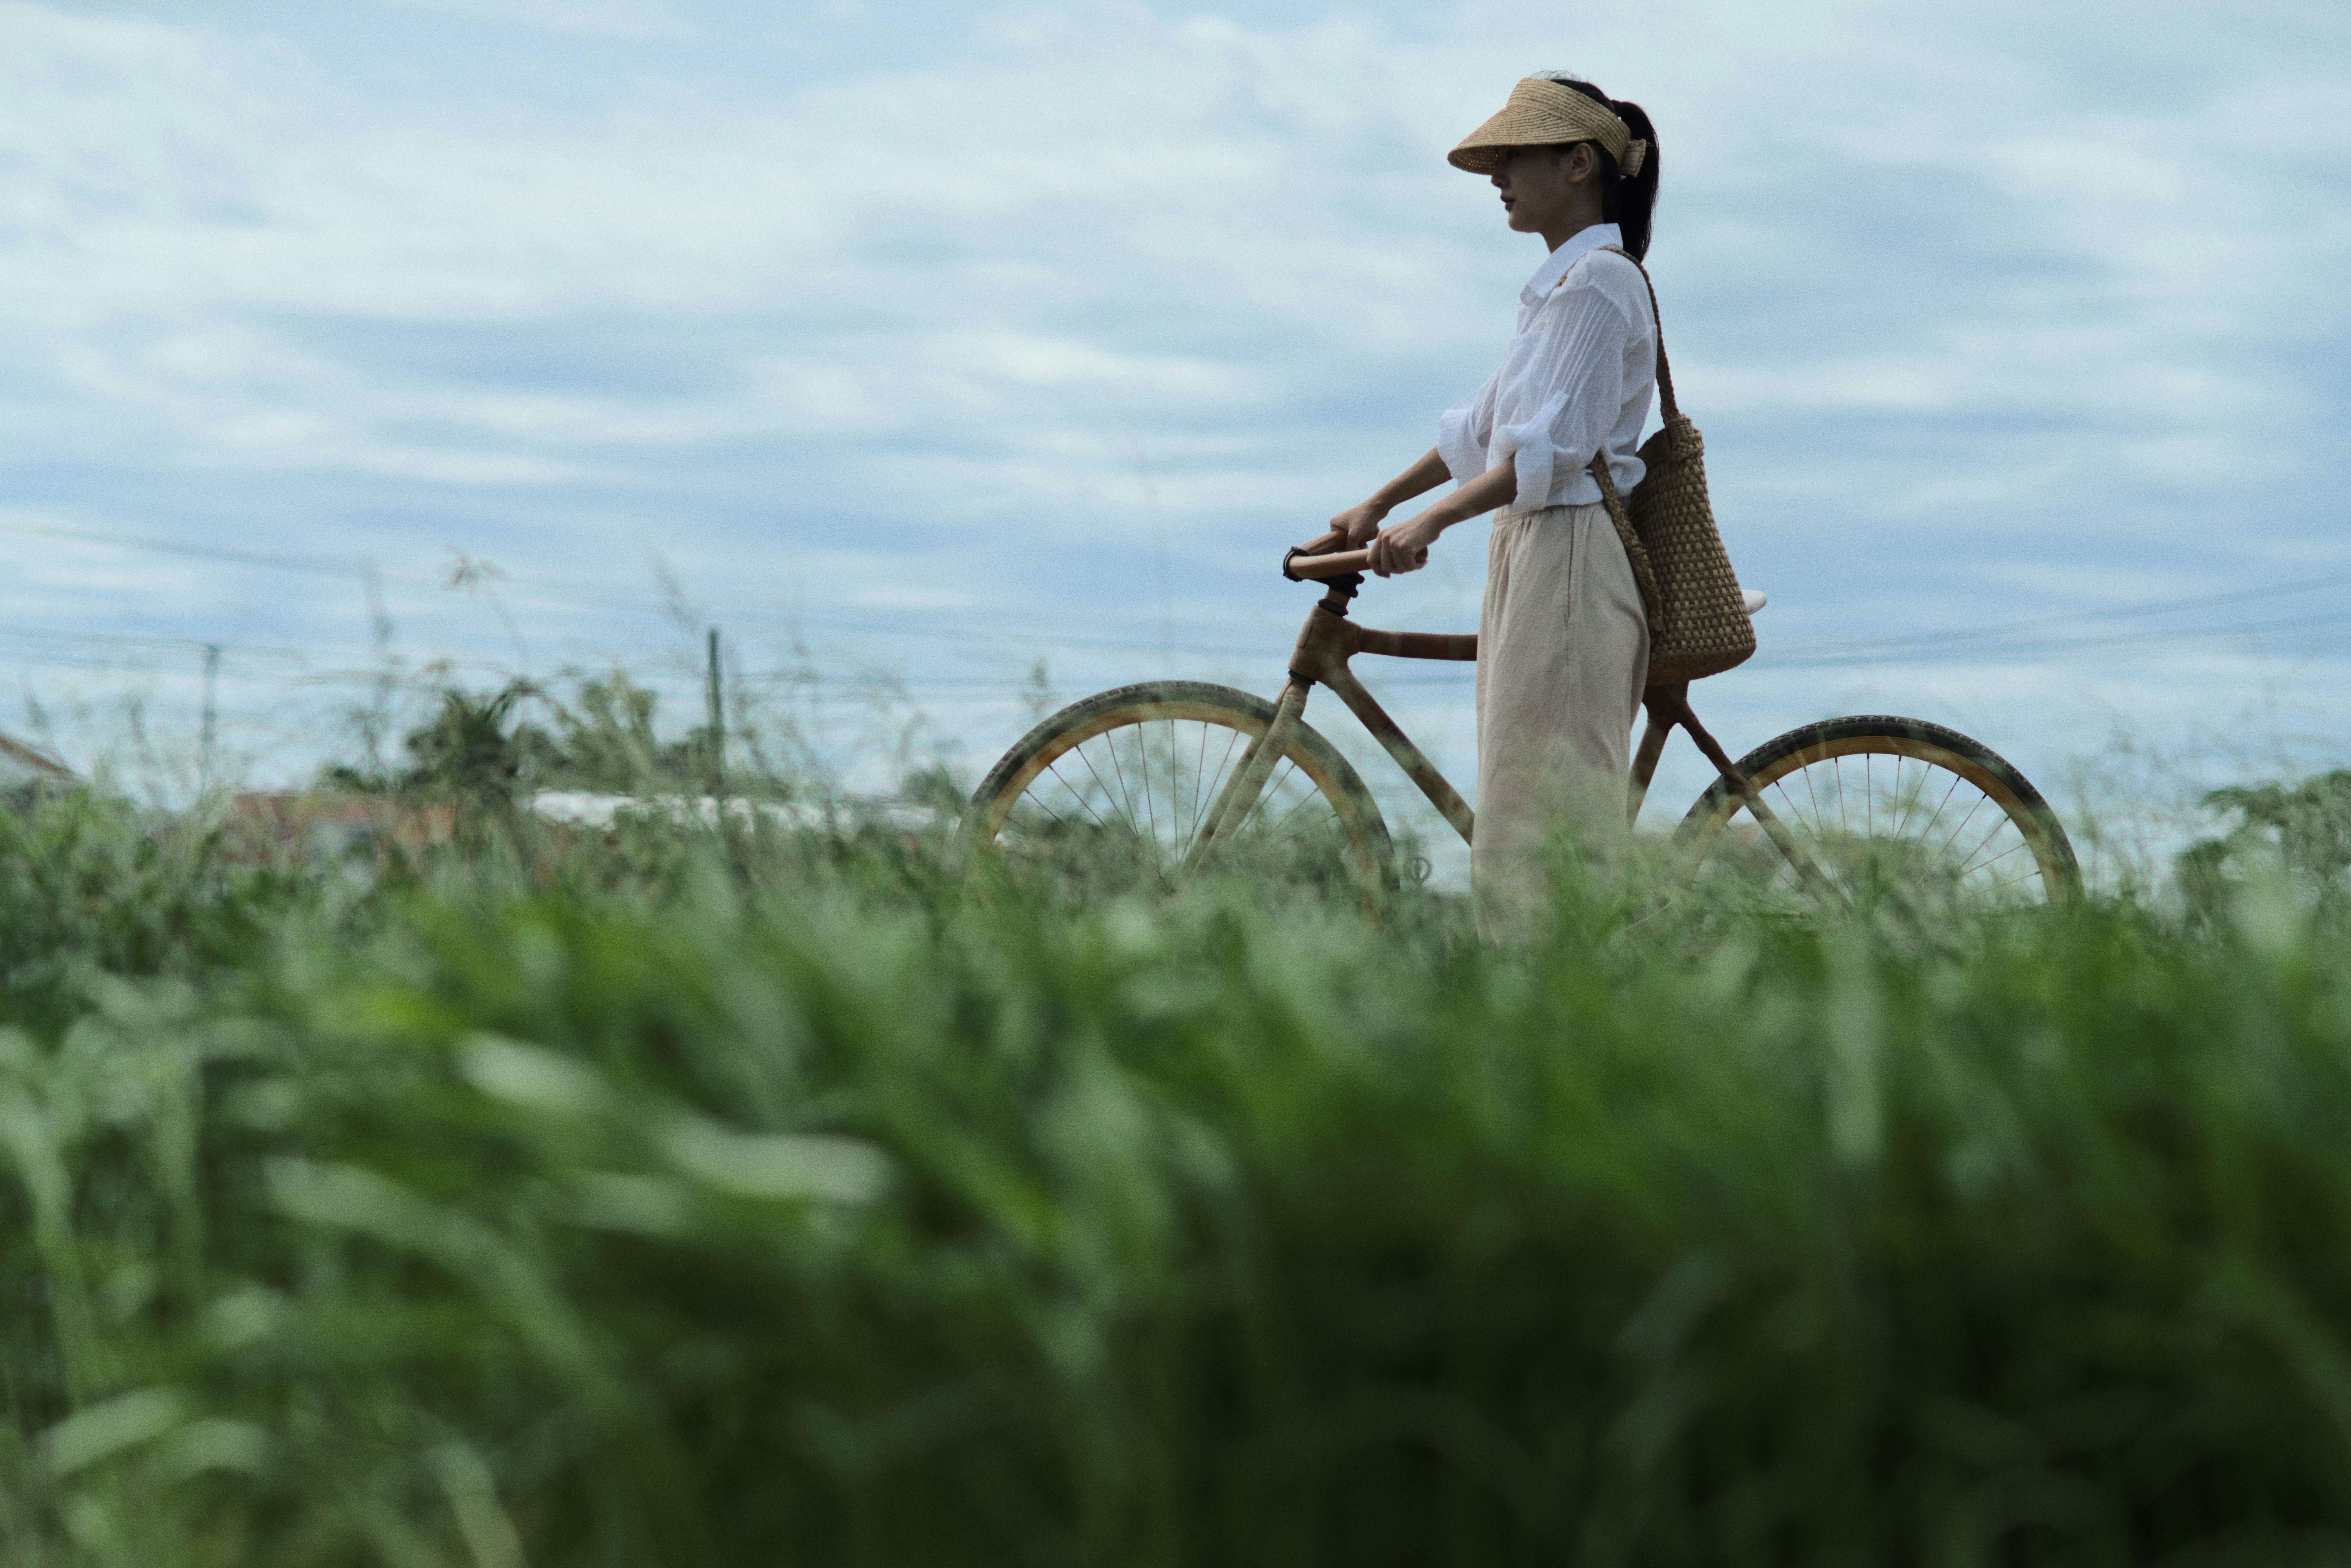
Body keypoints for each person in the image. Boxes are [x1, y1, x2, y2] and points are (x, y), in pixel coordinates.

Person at [1326, 72, 1662, 941]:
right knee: (1524, 791)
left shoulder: (1597, 283)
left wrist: (1432, 521)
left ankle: (1564, 1015)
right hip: (1537, 543)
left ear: (1578, 164)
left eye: (1514, 156)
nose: (1496, 176)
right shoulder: (1559, 291)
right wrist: (1380, 503)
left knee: (1544, 811)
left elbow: (1548, 453)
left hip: (1571, 549)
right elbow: (1482, 430)